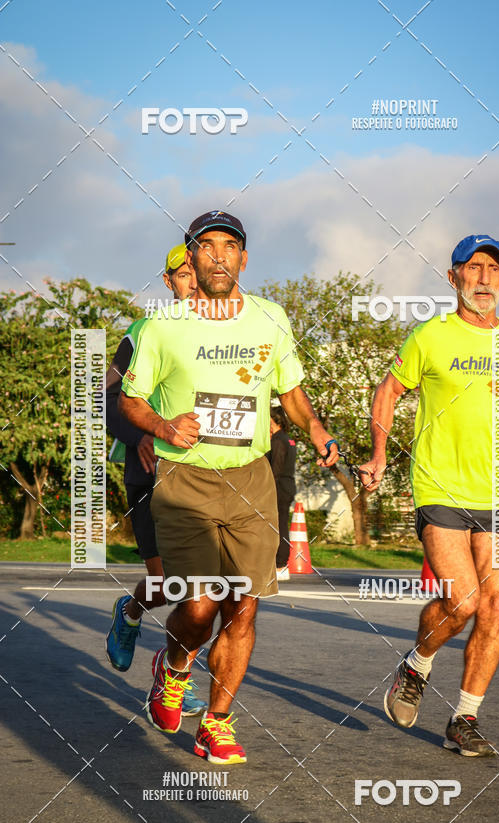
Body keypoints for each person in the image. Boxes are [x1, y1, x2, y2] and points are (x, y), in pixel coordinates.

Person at [119, 210, 339, 764]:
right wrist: (164, 426)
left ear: (244, 258)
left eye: (229, 246)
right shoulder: (160, 328)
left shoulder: (270, 319)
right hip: (185, 479)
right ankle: (172, 669)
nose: (218, 256)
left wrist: (314, 429)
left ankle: (216, 721)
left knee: (243, 607)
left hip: (252, 479)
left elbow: (290, 390)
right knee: (197, 604)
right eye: (206, 246)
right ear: (190, 259)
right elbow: (129, 399)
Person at [360, 234, 499, 757]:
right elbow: (388, 390)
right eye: (473, 267)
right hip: (440, 485)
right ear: (453, 277)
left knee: (495, 606)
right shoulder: (429, 337)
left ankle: (465, 718)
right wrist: (378, 454)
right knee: (460, 600)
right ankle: (416, 666)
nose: (484, 277)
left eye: (494, 268)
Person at [105, 244, 206, 716]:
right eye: (183, 275)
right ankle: (129, 613)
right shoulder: (143, 331)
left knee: (211, 587)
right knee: (167, 582)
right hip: (149, 468)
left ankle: (174, 671)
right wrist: (142, 433)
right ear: (169, 282)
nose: (193, 281)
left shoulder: (225, 331)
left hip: (207, 472)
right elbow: (109, 400)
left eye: (198, 273)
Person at [267, 407, 297, 581]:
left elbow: (275, 469)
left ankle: (279, 564)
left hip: (278, 487)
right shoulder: (289, 439)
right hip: (287, 486)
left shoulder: (278, 441)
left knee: (278, 526)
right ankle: (280, 563)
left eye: (269, 422)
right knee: (281, 524)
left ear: (276, 421)